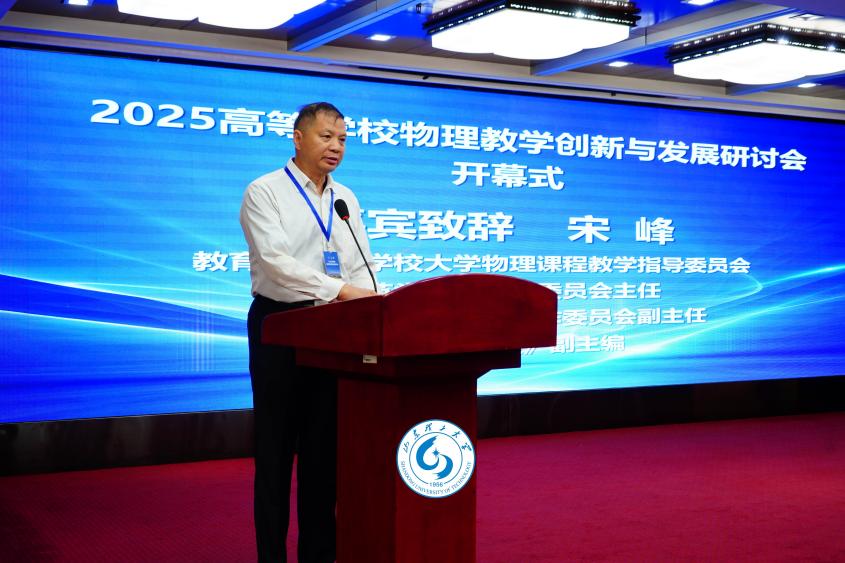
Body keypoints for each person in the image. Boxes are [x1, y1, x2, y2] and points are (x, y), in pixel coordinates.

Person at [239, 101, 378, 563]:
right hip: (280, 325)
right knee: (276, 453)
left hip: (332, 335)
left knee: (323, 456)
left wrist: (376, 299)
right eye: (326, 137)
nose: (336, 147)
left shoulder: (345, 198)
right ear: (298, 138)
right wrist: (342, 290)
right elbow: (275, 263)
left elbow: (360, 261)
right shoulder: (265, 191)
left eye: (343, 139)